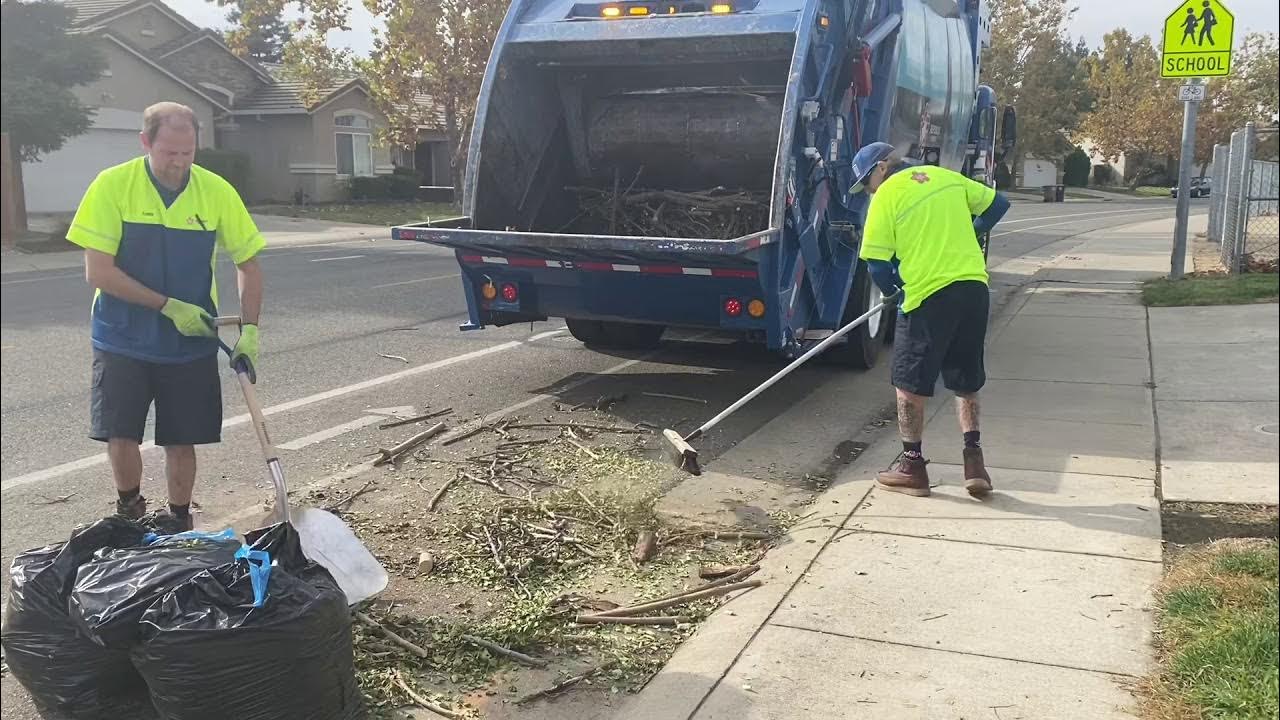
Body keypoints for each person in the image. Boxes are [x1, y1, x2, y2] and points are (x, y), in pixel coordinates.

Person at [66, 102, 265, 532]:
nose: (178, 162)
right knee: (121, 433)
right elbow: (97, 271)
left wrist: (250, 329)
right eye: (168, 152)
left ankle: (178, 520)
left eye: (187, 152)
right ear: (146, 142)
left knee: (181, 437)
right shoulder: (112, 186)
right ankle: (130, 510)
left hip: (190, 341)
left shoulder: (216, 192)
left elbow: (248, 262)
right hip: (122, 337)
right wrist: (167, 305)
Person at [848, 141, 1010, 498]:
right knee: (965, 380)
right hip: (973, 288)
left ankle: (912, 467)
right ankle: (974, 463)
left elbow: (875, 264)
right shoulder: (948, 178)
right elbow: (999, 204)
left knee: (909, 386)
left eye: (867, 183)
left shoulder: (887, 195)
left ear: (880, 168)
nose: (869, 191)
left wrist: (896, 290)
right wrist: (973, 231)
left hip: (927, 295)